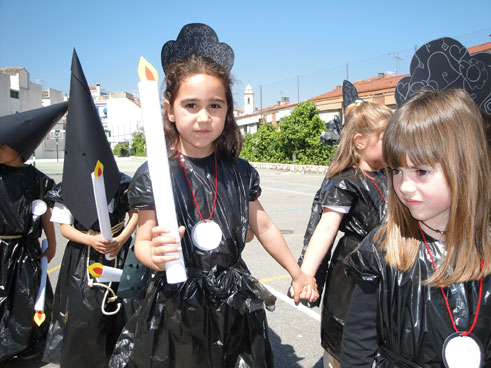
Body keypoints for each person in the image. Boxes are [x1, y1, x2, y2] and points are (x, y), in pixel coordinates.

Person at [109, 23, 317, 368]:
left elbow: (263, 227)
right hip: (177, 302)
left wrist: (297, 273)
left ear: (227, 110)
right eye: (190, 105)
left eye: (215, 106)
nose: (204, 117)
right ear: (169, 109)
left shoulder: (239, 171)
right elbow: (142, 242)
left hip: (234, 300)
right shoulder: (155, 174)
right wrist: (154, 256)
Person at [341, 88, 491, 367]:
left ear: (464, 166)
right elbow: (357, 344)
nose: (404, 186)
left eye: (421, 171)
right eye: (396, 171)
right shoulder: (383, 249)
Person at [42, 50, 138, 368]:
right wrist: (92, 240)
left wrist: (121, 238)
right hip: (83, 257)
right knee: (84, 318)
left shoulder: (122, 182)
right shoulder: (66, 188)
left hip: (119, 253)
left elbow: (137, 213)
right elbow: (65, 228)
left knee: (123, 313)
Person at [297, 99, 392, 368]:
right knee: (346, 337)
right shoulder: (347, 181)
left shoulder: (394, 175)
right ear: (360, 141)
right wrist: (306, 274)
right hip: (353, 270)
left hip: (389, 265)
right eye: (388, 136)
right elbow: (325, 229)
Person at [0, 102, 68, 362]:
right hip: (1, 247)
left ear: (19, 148)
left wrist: (51, 243)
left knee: (27, 296)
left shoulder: (38, 180)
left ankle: (26, 343)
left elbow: (47, 215)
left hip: (25, 249)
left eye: (3, 145)